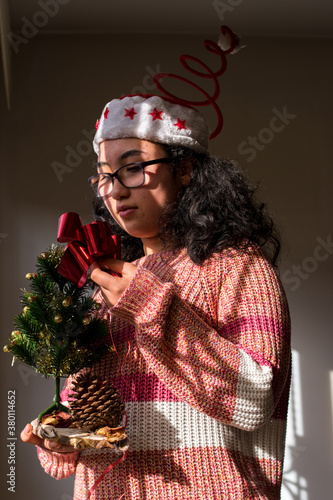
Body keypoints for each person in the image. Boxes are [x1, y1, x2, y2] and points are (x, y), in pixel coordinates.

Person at [21, 93, 291, 500]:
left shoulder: (239, 267)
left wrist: (148, 305)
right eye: (105, 175)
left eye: (132, 168)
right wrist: (61, 433)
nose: (114, 191)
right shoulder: (108, 285)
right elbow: (97, 414)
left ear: (185, 169)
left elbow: (254, 399)